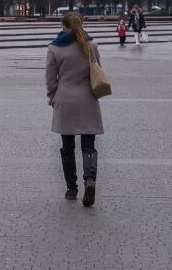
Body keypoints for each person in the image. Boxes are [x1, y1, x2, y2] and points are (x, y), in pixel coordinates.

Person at [46, 12, 104, 207]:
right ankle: (90, 181)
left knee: (67, 146)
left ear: (63, 26)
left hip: (65, 100)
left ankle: (72, 188)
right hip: (88, 99)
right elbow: (98, 71)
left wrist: (52, 97)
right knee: (88, 146)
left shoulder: (54, 48)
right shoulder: (91, 45)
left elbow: (50, 79)